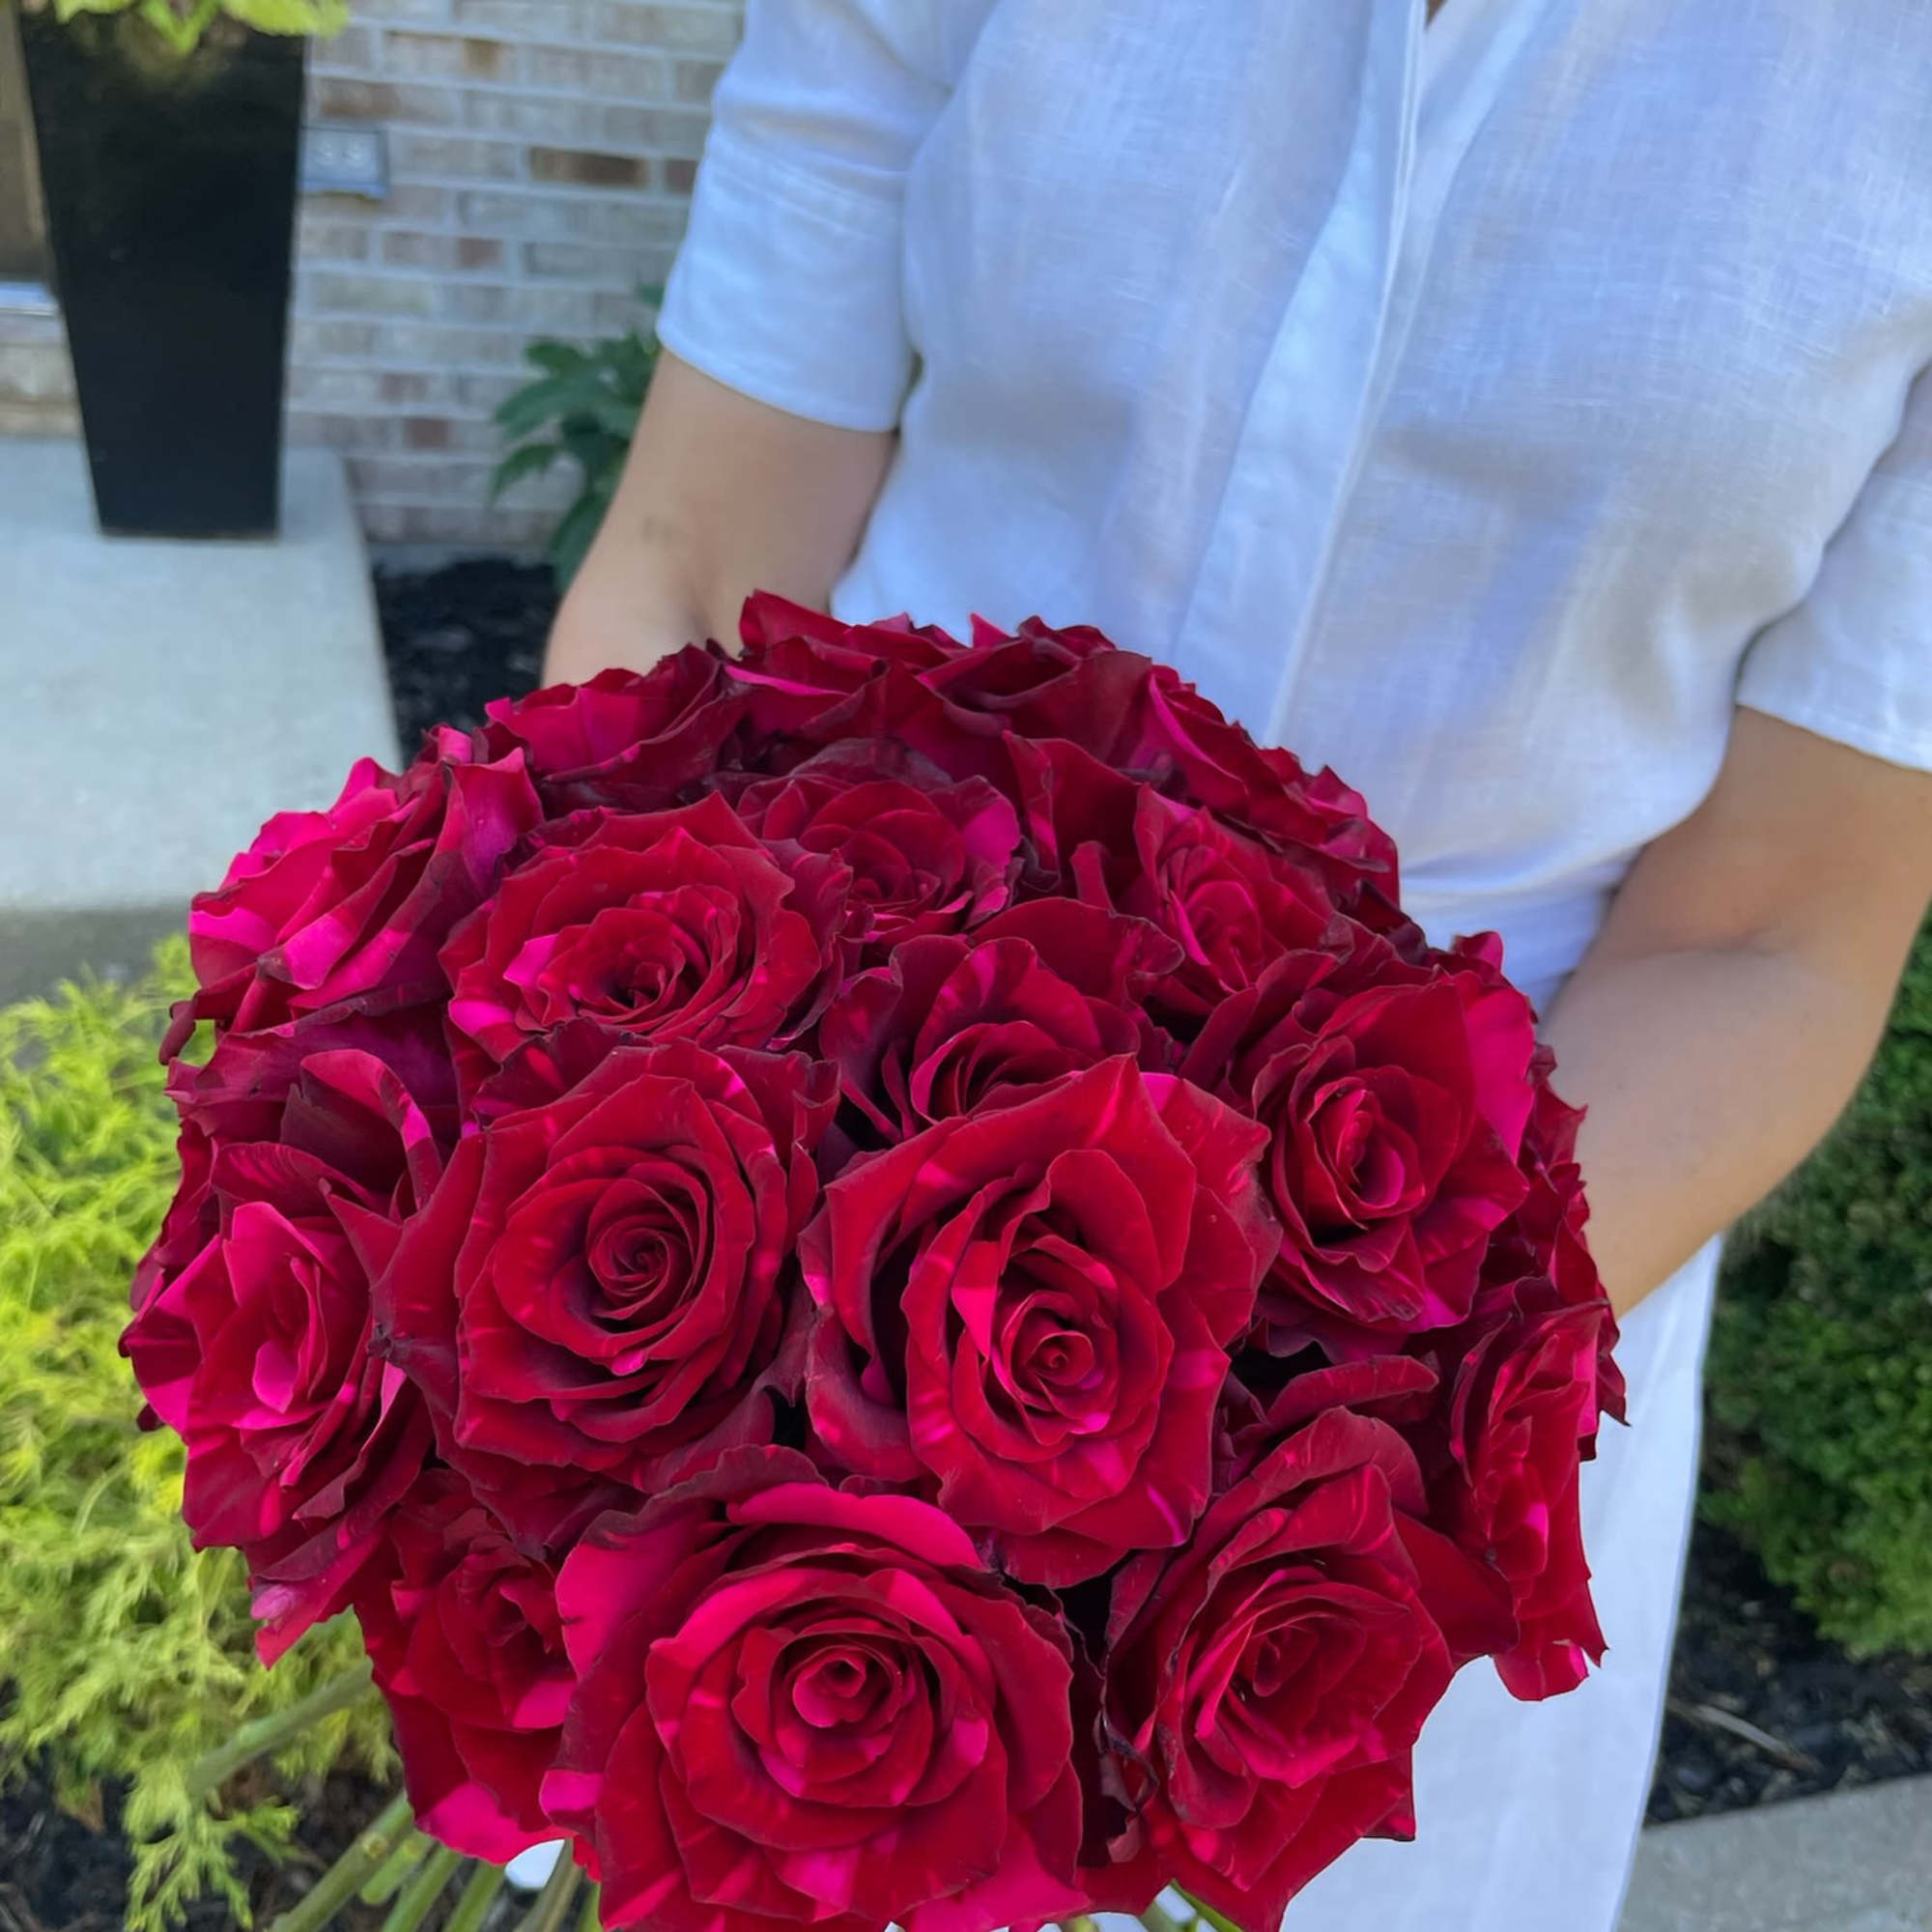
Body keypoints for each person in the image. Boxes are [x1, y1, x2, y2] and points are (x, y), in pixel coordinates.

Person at [542, 2, 1932, 1924]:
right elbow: (700, 563)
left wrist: (1246, 1432)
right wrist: (613, 1162)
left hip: (1470, 1280)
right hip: (794, 1149)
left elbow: (1776, 929)